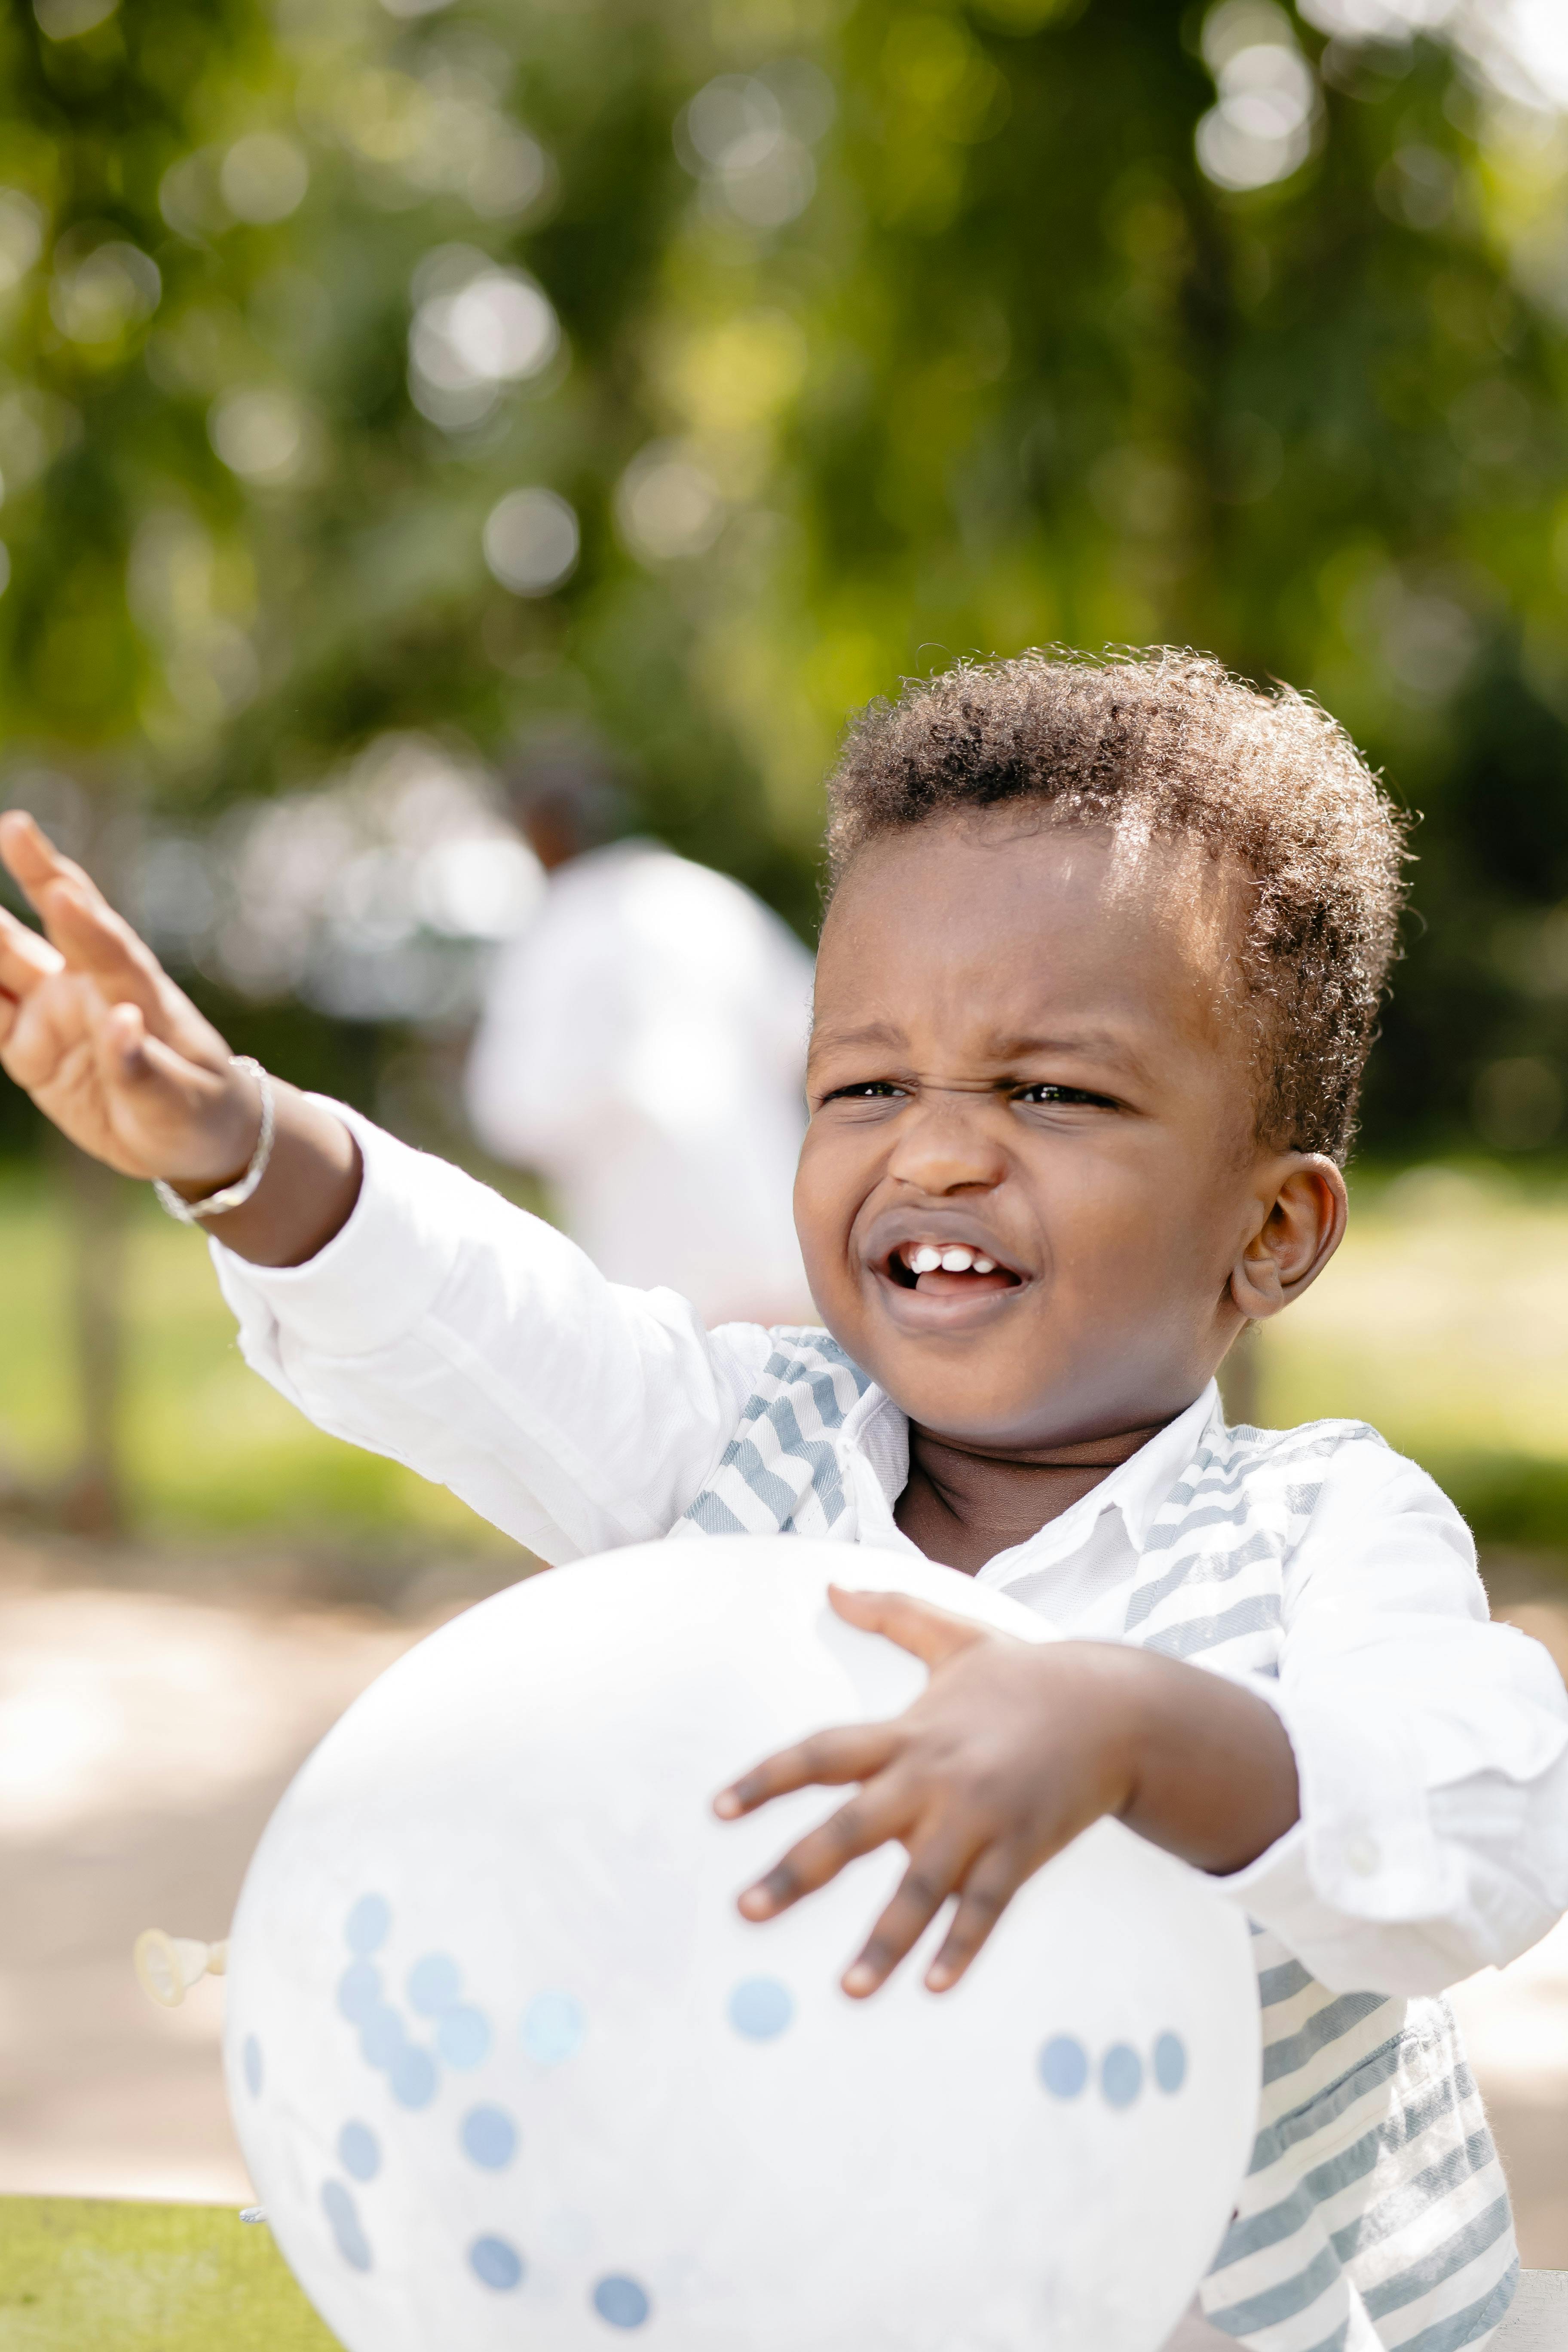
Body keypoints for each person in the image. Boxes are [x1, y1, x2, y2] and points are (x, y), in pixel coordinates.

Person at [2, 649, 1565, 2352]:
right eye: (865, 1085)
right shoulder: (735, 1452)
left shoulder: (1319, 1533)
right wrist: (239, 1146)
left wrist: (1138, 1734)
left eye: (1053, 1091)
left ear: (1272, 1231)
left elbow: (1483, 1824)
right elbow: (487, 1324)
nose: (941, 1150)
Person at [466, 738, 816, 1327]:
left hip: (652, 1280)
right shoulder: (709, 897)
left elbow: (511, 1111)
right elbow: (809, 1034)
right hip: (775, 1240)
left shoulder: (554, 937)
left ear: (541, 829)